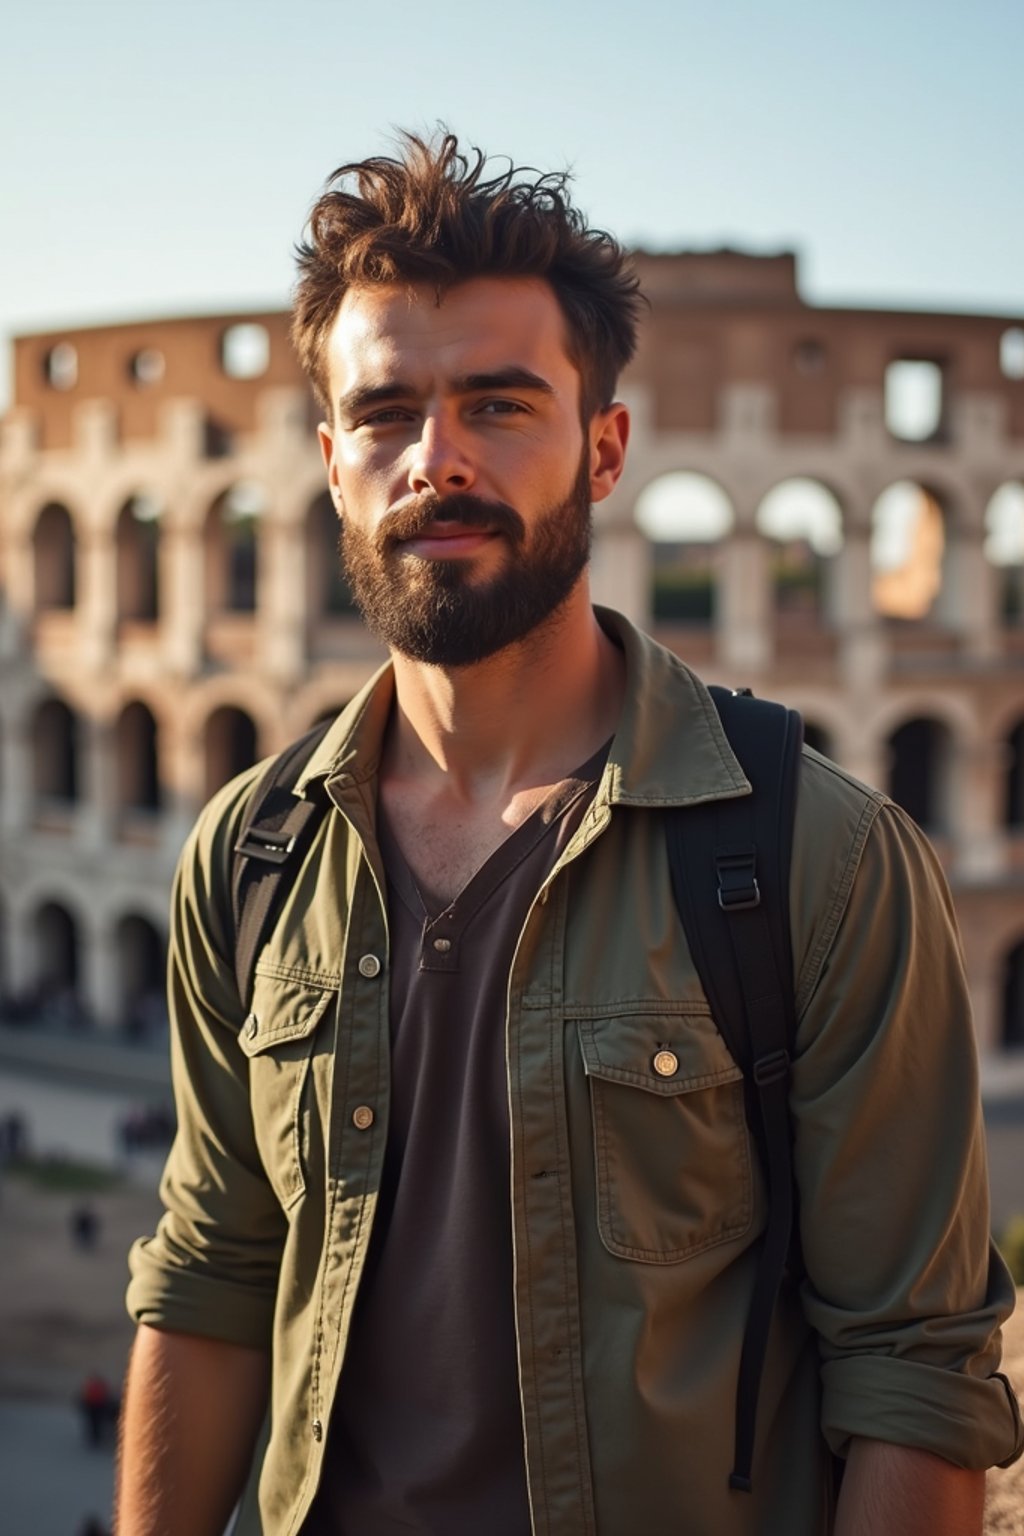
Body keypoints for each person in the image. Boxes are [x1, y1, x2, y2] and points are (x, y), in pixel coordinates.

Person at [118, 132, 1023, 1535]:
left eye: (498, 404)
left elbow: (915, 1374)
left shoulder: (819, 860)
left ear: (603, 447)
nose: (437, 460)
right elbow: (213, 1277)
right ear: (330, 462)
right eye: (385, 413)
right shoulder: (250, 855)